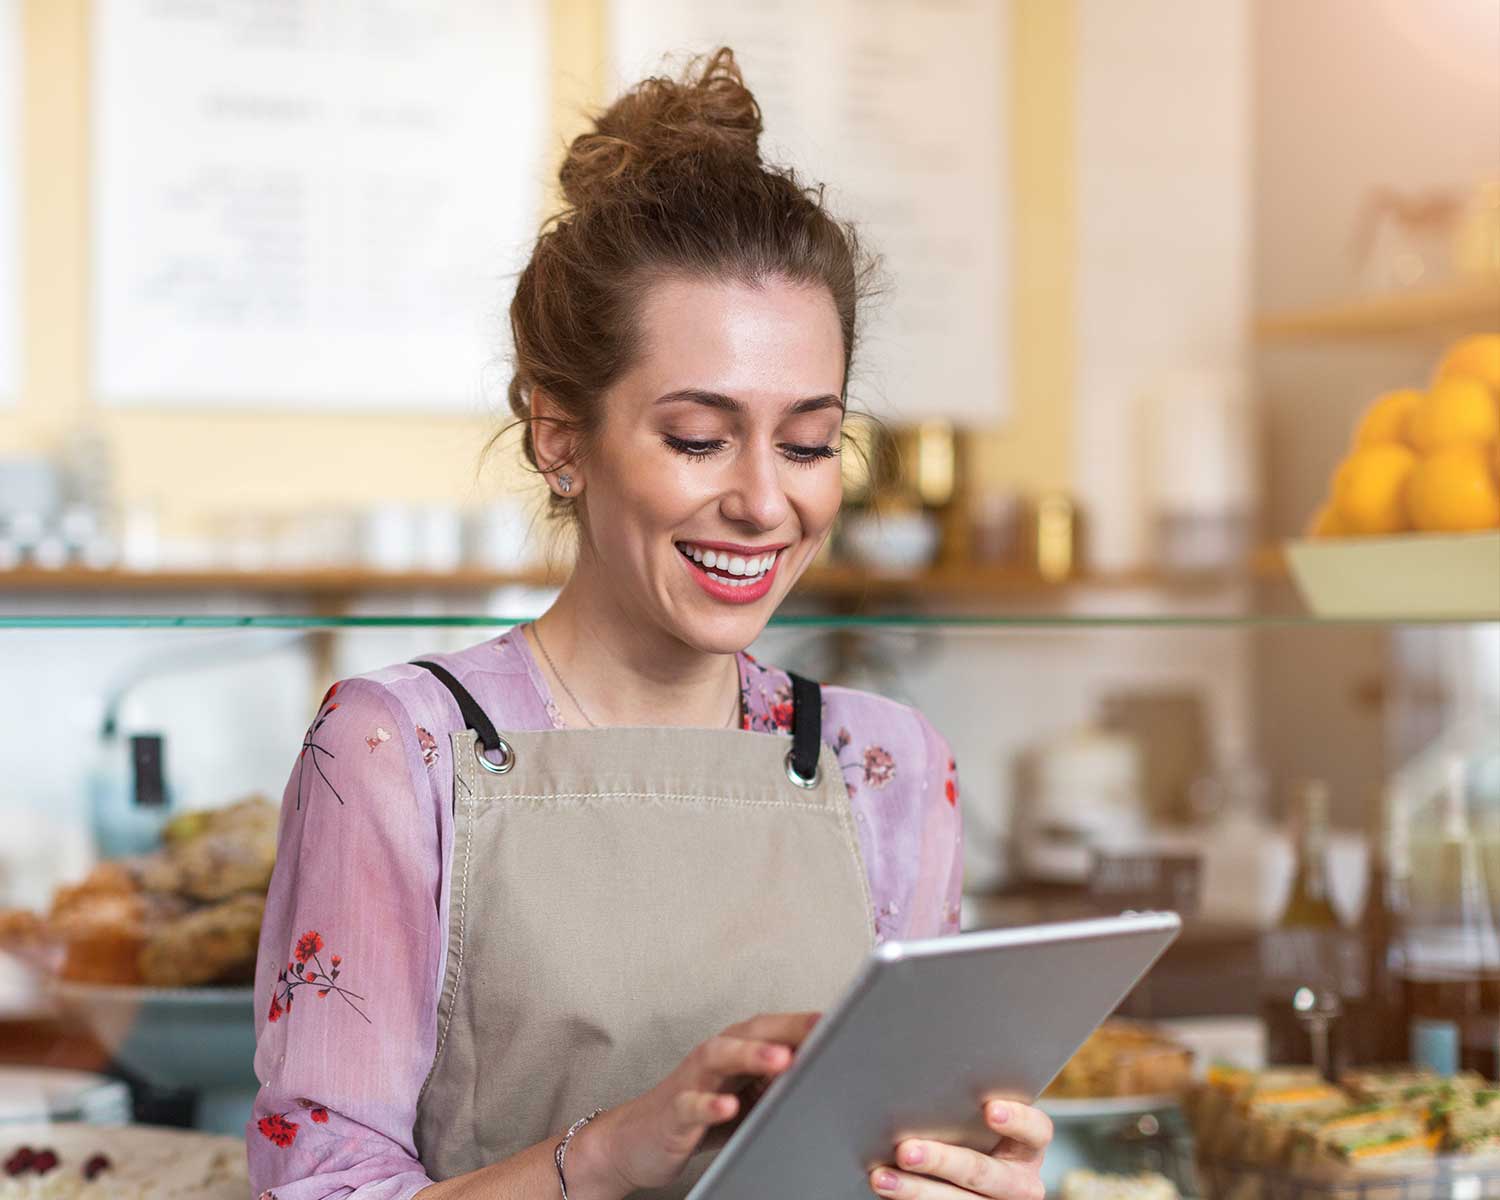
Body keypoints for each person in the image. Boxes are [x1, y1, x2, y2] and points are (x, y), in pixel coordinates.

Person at [247, 47, 1052, 1200]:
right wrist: (612, 1152)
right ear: (559, 436)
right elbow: (314, 1189)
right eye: (697, 438)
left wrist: (968, 1181)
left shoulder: (888, 766)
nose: (765, 502)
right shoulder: (398, 752)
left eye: (810, 443)